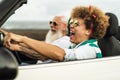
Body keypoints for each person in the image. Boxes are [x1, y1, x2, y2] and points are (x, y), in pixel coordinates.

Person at [0, 5, 109, 62]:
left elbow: (61, 55)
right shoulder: (73, 45)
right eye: (71, 22)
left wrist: (23, 39)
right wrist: (17, 47)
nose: (71, 25)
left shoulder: (91, 50)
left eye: (76, 23)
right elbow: (43, 56)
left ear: (88, 30)